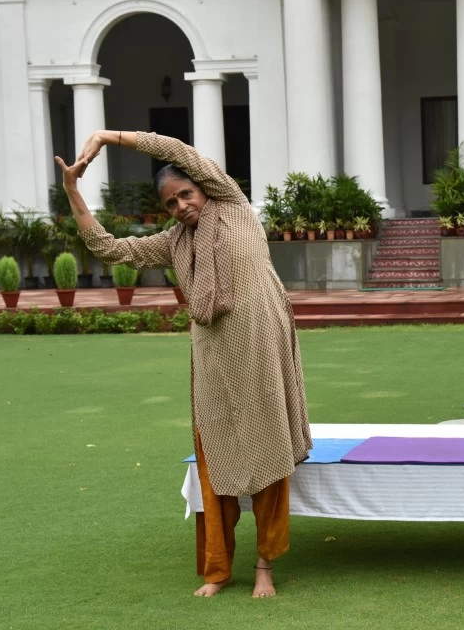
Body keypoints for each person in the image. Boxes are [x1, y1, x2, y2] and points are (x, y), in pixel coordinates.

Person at [55, 130, 312, 598]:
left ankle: (265, 567)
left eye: (185, 195)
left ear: (202, 186)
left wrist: (110, 137)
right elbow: (112, 248)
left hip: (260, 353)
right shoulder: (176, 243)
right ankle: (219, 570)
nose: (181, 208)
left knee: (269, 461)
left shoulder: (232, 204)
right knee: (214, 462)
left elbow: (178, 152)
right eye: (170, 204)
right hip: (214, 362)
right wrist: (73, 190)